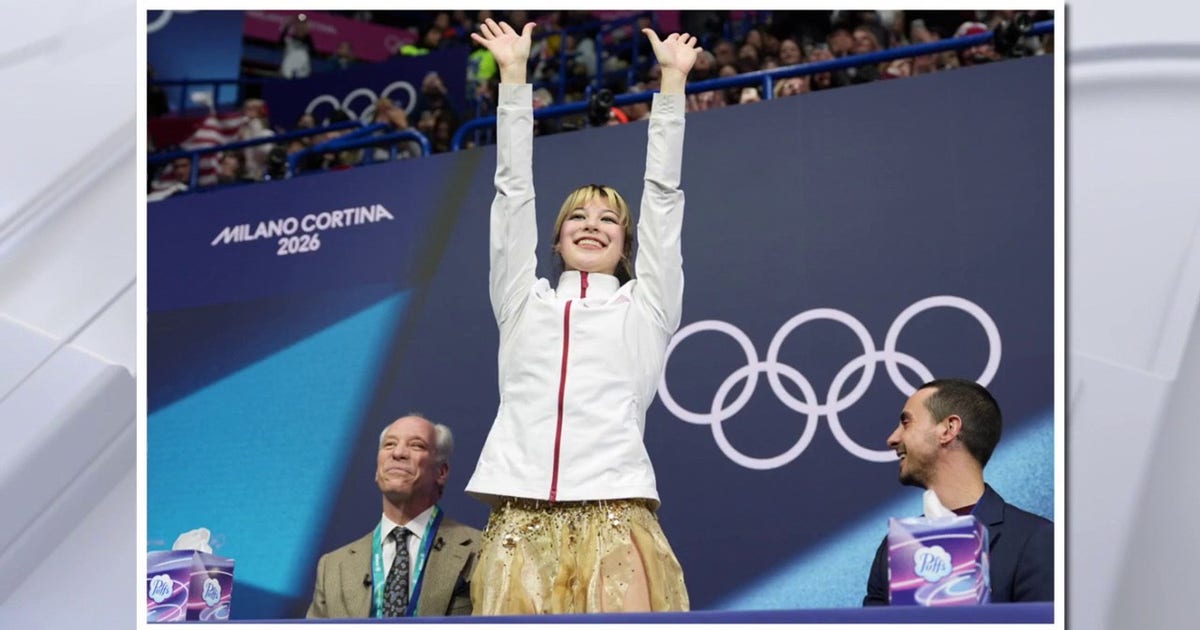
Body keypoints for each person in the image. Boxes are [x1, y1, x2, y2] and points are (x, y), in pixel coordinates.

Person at [464, 18, 697, 615]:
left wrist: (671, 87)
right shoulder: (522, 300)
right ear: (557, 239)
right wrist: (514, 79)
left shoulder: (646, 306)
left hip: (617, 513)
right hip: (519, 516)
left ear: (626, 243)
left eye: (608, 219)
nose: (592, 224)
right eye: (577, 217)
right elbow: (511, 193)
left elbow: (664, 201)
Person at [863, 379, 1054, 605]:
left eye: (906, 423)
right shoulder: (894, 548)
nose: (892, 439)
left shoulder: (1033, 539)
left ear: (949, 429)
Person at [307, 415, 481, 618]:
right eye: (389, 445)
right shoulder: (333, 566)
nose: (398, 453)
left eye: (416, 446)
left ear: (441, 472)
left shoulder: (480, 550)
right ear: (377, 469)